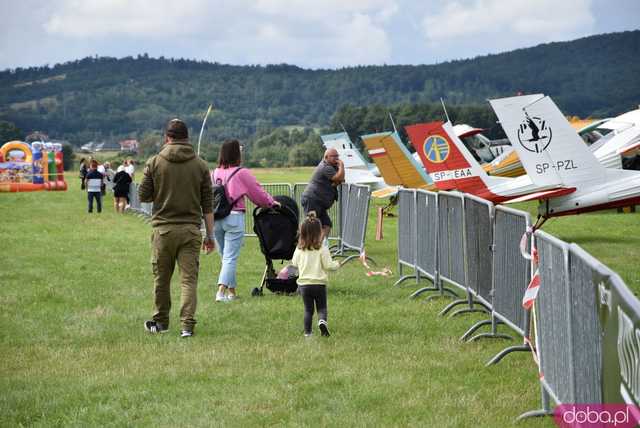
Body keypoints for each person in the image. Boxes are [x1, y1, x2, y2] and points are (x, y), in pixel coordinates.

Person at [139, 118, 215, 338]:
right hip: (191, 231)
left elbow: (143, 195)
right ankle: (187, 326)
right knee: (188, 281)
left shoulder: (154, 162)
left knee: (161, 279)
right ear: (187, 137)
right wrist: (210, 235)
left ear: (167, 137)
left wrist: (161, 191)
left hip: (163, 231)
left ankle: (161, 322)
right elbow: (207, 205)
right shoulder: (200, 165)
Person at [211, 139, 280, 302]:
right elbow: (258, 194)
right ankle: (221, 293)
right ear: (236, 154)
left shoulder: (214, 173)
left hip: (215, 219)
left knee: (225, 258)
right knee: (230, 258)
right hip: (234, 218)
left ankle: (232, 293)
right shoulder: (241, 173)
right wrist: (272, 203)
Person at [290, 212, 340, 337]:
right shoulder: (322, 248)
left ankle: (308, 333)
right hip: (319, 284)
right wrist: (337, 264)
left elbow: (294, 263)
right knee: (322, 308)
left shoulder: (299, 249)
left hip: (304, 285)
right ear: (319, 232)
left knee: (308, 310)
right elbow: (329, 265)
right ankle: (322, 321)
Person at [300, 148, 344, 242]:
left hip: (319, 202)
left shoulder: (332, 166)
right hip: (312, 200)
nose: (337, 158)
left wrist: (337, 179)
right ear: (326, 157)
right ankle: (304, 247)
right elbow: (339, 177)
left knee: (326, 225)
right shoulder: (326, 167)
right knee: (311, 226)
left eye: (337, 156)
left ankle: (320, 246)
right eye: (334, 156)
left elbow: (341, 180)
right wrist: (342, 166)